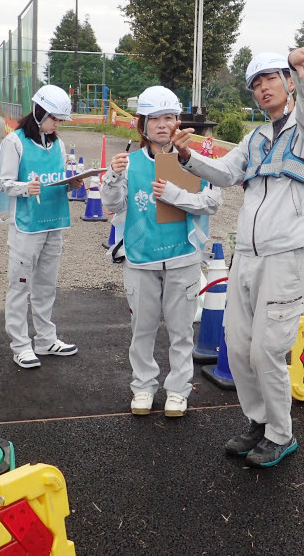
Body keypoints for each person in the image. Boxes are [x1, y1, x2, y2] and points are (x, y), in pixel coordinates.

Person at [171, 41, 304, 467]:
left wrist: (303, 70)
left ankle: (281, 434)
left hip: (286, 257)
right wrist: (185, 155)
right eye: (256, 83)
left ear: (288, 83)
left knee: (267, 350)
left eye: (271, 79)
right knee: (239, 348)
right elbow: (224, 173)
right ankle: (258, 423)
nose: (263, 89)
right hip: (246, 254)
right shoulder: (256, 137)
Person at [101, 86, 221, 417]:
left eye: (169, 117)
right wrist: (111, 177)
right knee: (143, 329)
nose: (162, 124)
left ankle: (178, 391)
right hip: (140, 260)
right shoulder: (129, 163)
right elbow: (113, 206)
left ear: (178, 122)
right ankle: (142, 387)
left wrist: (174, 195)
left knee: (182, 332)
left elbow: (212, 202)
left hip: (184, 257)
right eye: (154, 118)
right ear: (142, 124)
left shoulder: (193, 162)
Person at [0, 84, 84, 369]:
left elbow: (55, 177)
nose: (57, 124)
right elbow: (4, 183)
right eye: (54, 118)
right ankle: (20, 345)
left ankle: (45, 339)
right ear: (38, 111)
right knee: (19, 285)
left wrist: (72, 183)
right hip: (26, 226)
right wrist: (25, 188)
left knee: (46, 285)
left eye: (60, 120)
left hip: (54, 221)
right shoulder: (15, 142)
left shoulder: (57, 144)